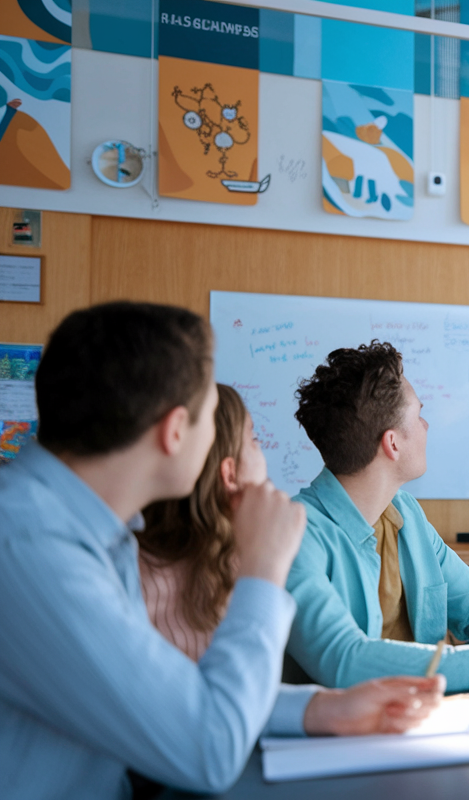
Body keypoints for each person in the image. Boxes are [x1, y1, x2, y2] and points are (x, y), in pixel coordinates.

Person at [0, 302, 305, 798]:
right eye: (210, 416)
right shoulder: (29, 546)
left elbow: (164, 700)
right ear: (176, 430)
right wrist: (264, 569)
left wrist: (320, 711)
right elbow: (208, 747)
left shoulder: (98, 531)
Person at [139, 383, 444, 739]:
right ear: (229, 474)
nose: (263, 455)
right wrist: (265, 566)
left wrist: (329, 709)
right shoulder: (164, 582)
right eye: (254, 440)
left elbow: (239, 699)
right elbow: (211, 725)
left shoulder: (227, 559)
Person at [285, 341, 469, 693]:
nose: (426, 426)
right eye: (418, 415)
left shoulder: (405, 514)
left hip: (429, 720)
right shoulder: (294, 534)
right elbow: (345, 659)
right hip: (347, 738)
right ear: (392, 443)